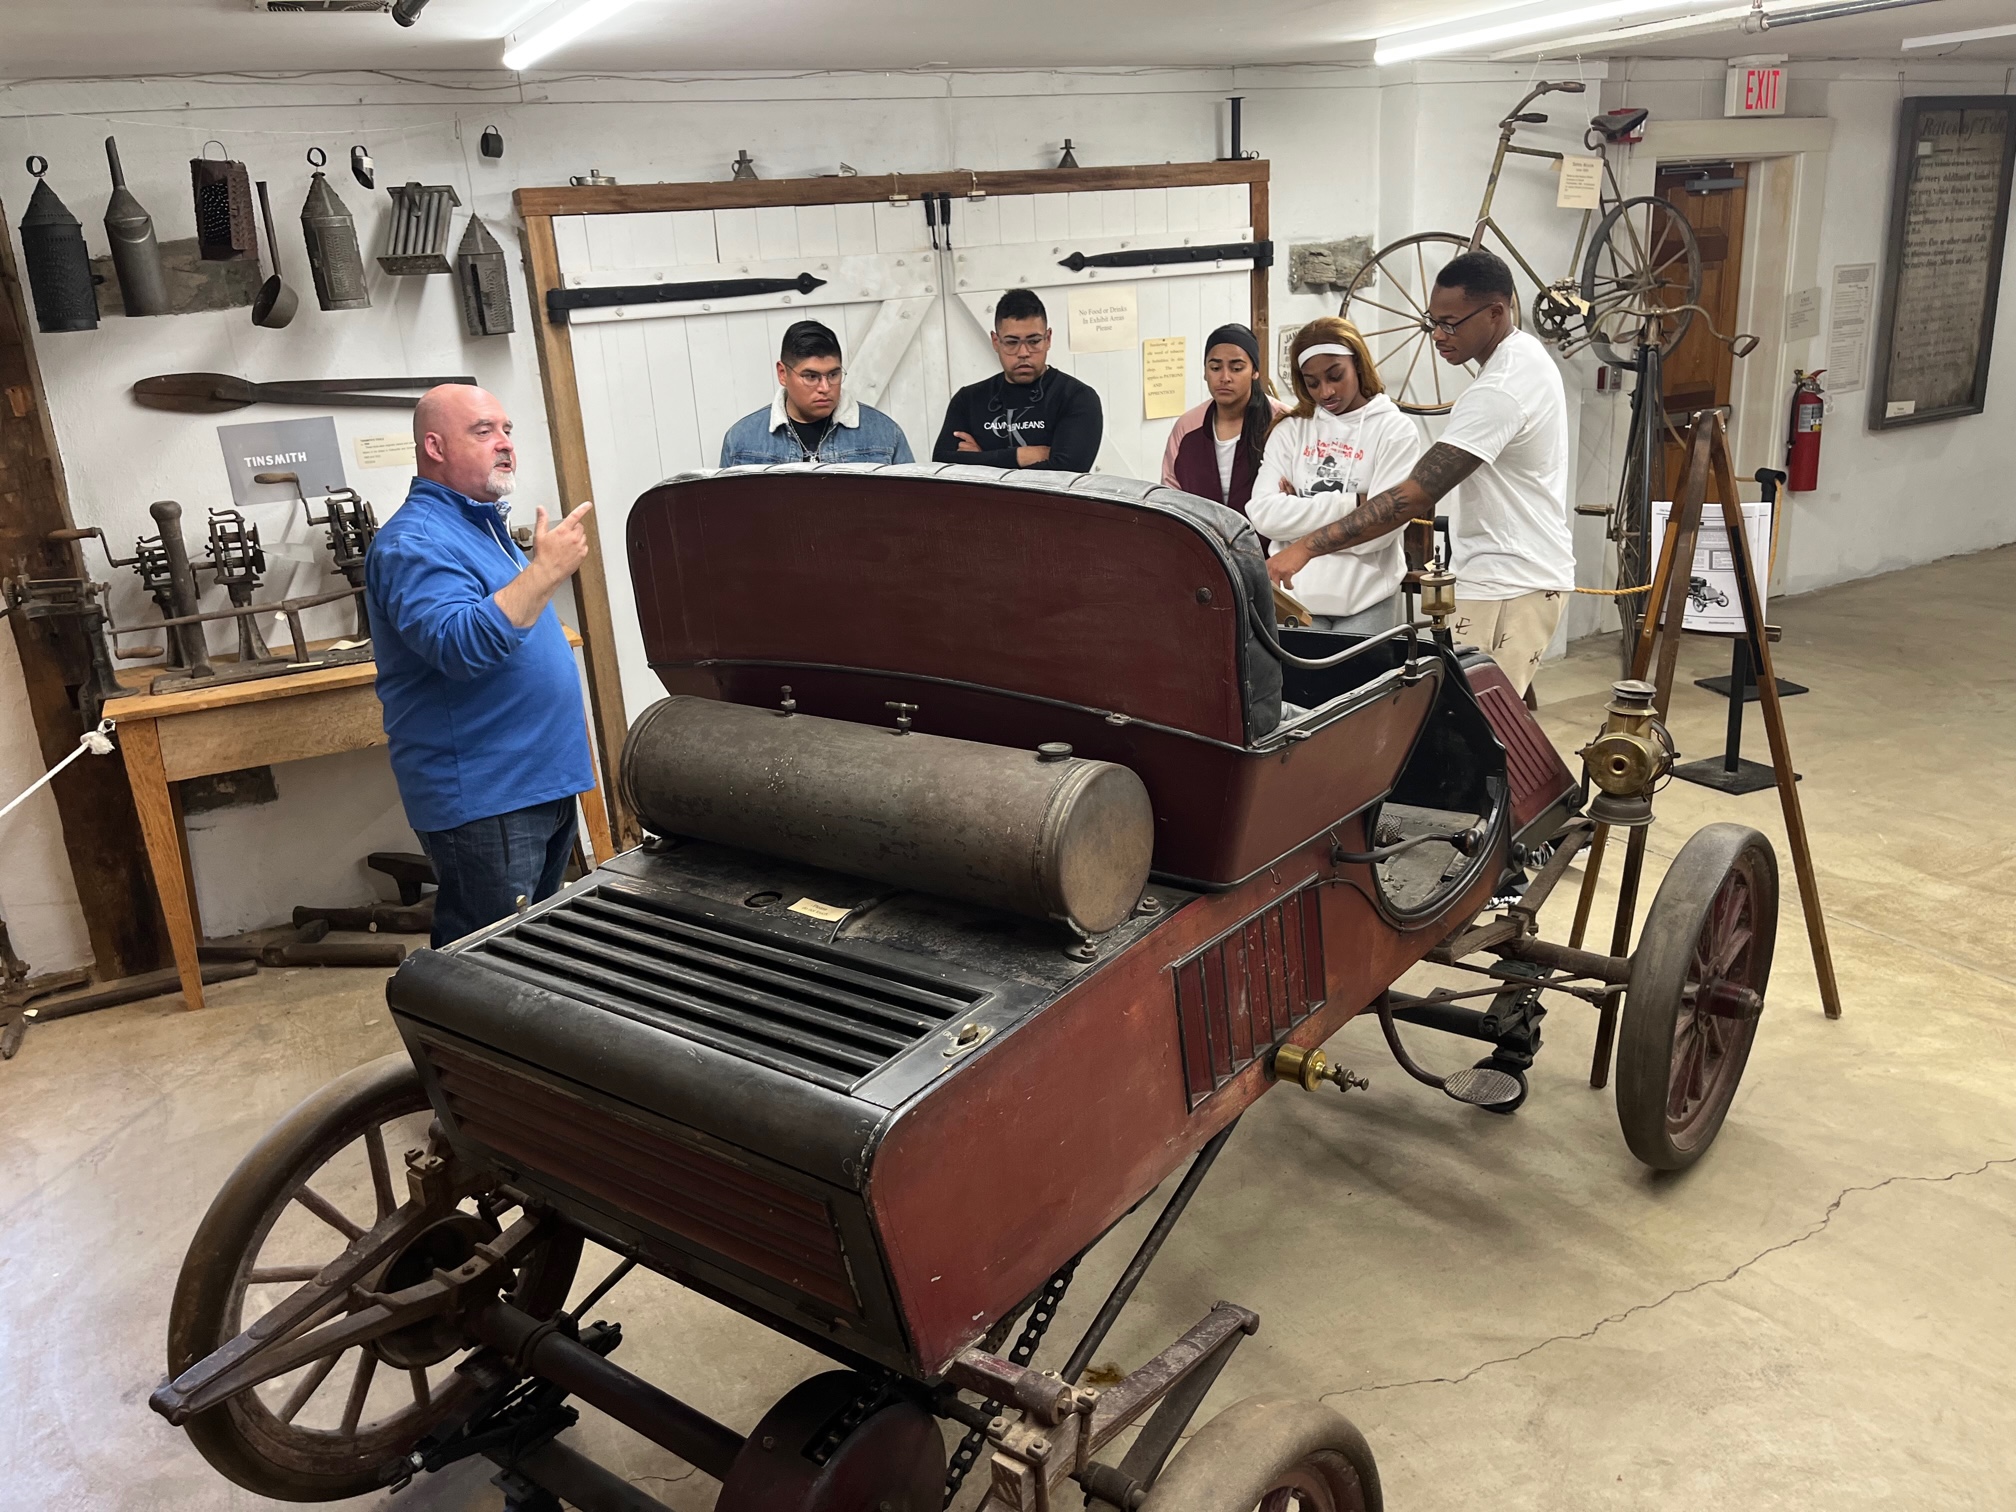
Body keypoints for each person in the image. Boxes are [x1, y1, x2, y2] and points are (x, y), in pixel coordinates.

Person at [1264, 251, 1574, 693]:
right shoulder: (1519, 360)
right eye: (1433, 321)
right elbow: (1262, 508)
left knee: (1475, 729)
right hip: (1501, 574)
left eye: (1450, 323)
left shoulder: (1501, 389)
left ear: (1495, 313)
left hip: (1509, 580)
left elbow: (1408, 498)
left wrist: (1305, 547)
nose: (1437, 335)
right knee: (1480, 725)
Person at [366, 384, 597, 948]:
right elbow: (460, 646)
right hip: (488, 799)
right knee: (484, 966)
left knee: (531, 955)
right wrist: (543, 574)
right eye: (483, 431)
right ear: (435, 446)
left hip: (537, 784)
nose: (504, 445)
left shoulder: (482, 527)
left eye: (508, 431)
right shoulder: (414, 542)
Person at [1247, 318, 1422, 634]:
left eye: (1335, 376)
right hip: (1294, 602)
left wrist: (1298, 512)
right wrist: (1358, 503)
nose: (1325, 391)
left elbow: (1379, 533)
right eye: (1312, 382)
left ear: (1357, 363)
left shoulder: (1395, 431)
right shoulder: (1290, 430)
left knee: (1362, 684)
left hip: (1367, 601)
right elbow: (1263, 515)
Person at [932, 288, 1103, 471]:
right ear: (996, 342)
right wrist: (1021, 456)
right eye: (1012, 342)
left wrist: (980, 459)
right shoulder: (968, 400)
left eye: (1034, 341)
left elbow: (1066, 471)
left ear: (1048, 339)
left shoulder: (1076, 397)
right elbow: (942, 466)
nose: (1023, 353)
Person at [719, 319, 914, 466]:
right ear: (783, 374)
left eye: (833, 374)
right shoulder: (742, 440)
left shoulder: (884, 433)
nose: (825, 387)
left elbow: (912, 509)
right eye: (811, 376)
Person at [1159, 322, 1289, 515]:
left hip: (1272, 542)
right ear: (1205, 372)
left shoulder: (1282, 422)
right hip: (1202, 542)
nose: (1225, 377)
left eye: (1236, 368)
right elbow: (1170, 497)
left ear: (1255, 372)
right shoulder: (1188, 427)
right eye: (1215, 367)